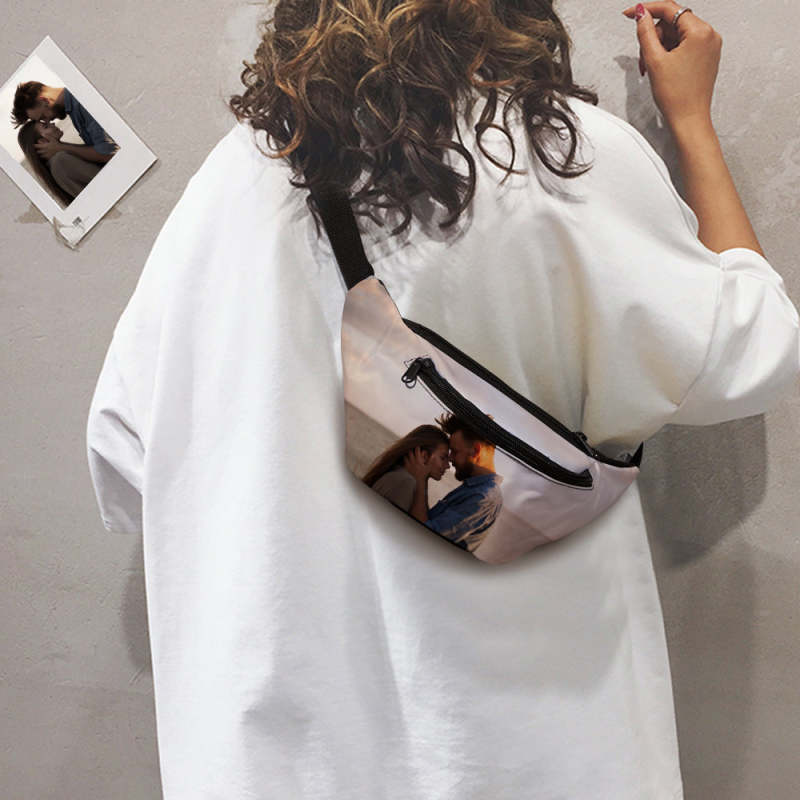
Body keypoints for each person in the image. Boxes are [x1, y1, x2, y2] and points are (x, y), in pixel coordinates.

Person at [85, 3, 800, 799]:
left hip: (277, 749)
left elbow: (124, 449)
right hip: (521, 743)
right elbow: (754, 353)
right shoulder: (555, 156)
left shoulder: (237, 176)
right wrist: (692, 122)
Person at [404, 412, 504, 552]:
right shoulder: (474, 489)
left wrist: (420, 479)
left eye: (455, 452)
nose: (450, 459)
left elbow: (423, 537)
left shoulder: (483, 498)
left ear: (476, 451)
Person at [10, 82, 117, 197]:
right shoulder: (74, 111)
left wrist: (61, 147)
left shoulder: (81, 103)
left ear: (45, 100)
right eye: (43, 122)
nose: (48, 121)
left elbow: (111, 153)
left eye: (43, 117)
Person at [362, 423, 451, 511]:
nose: (447, 466)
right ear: (424, 456)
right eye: (443, 458)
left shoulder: (398, 474)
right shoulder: (405, 482)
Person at [15, 119, 76, 206]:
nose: (52, 123)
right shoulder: (61, 160)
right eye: (46, 126)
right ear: (42, 142)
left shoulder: (55, 163)